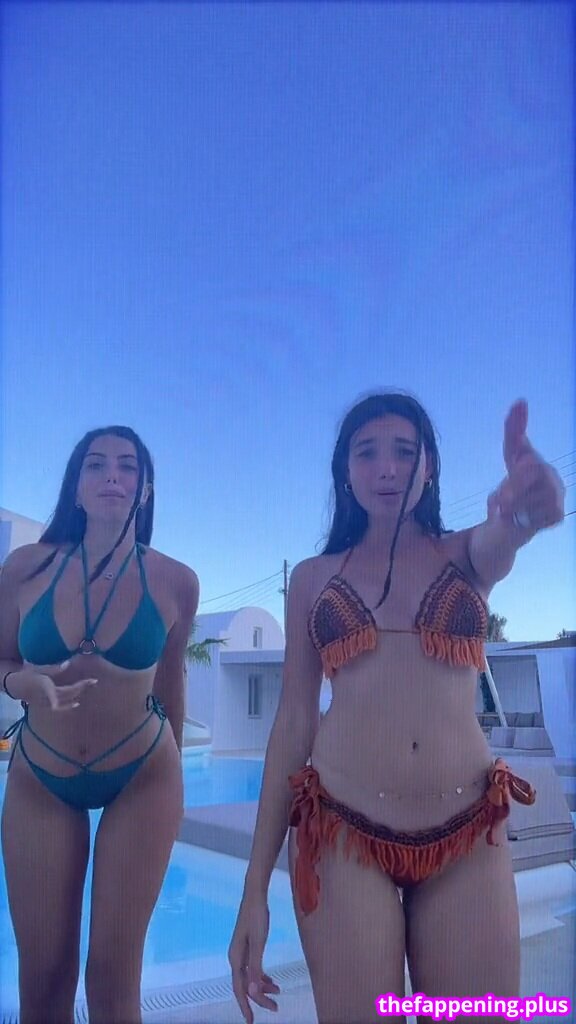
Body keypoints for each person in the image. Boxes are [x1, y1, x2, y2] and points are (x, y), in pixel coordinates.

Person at [229, 393, 564, 1024]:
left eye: (405, 452)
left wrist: (528, 508)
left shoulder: (467, 555)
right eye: (367, 453)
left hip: (466, 833)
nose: (387, 468)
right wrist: (253, 892)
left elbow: (510, 533)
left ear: (429, 466)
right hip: (343, 836)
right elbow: (293, 725)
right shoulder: (312, 579)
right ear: (344, 470)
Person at [0, 426, 198, 1024]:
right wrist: (21, 684)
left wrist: (177, 783)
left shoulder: (176, 580)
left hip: (142, 775)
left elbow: (171, 684)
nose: (113, 474)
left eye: (128, 466)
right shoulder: (24, 568)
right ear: (77, 486)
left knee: (113, 979)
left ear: (145, 489)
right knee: (43, 981)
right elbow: (1, 659)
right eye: (96, 464)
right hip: (41, 775)